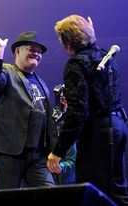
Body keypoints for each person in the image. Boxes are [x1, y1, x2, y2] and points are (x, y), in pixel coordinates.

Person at [47, 15, 128, 205]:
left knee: (95, 192)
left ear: (67, 41)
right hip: (119, 127)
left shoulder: (77, 63)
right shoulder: (104, 56)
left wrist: (58, 151)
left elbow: (78, 112)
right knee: (118, 191)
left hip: (98, 133)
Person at [0, 26, 56, 189]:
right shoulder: (8, 71)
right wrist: (0, 50)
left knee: (52, 192)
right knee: (7, 197)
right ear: (17, 52)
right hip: (10, 152)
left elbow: (47, 120)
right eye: (32, 49)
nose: (37, 53)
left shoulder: (42, 83)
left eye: (39, 51)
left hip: (36, 155)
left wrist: (52, 150)